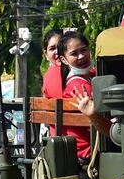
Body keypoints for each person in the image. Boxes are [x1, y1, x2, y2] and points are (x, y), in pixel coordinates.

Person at [59, 31, 97, 160]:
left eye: (84, 50)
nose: (81, 56)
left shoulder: (87, 79)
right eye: (74, 54)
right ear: (63, 59)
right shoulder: (79, 86)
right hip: (90, 149)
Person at [41, 28, 64, 99]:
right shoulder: (58, 74)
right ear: (46, 54)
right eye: (52, 49)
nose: (57, 51)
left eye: (60, 46)